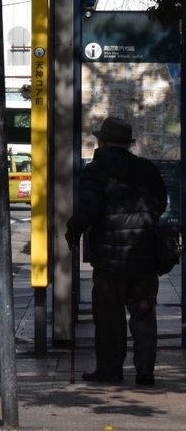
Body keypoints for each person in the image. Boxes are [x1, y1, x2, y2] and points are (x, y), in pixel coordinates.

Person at [65, 116, 168, 386]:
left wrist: (73, 230)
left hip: (109, 260)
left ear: (102, 142)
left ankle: (110, 370)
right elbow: (160, 202)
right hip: (144, 255)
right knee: (143, 314)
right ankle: (145, 371)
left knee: (109, 317)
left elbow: (90, 208)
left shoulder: (95, 170)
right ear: (128, 143)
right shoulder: (147, 169)